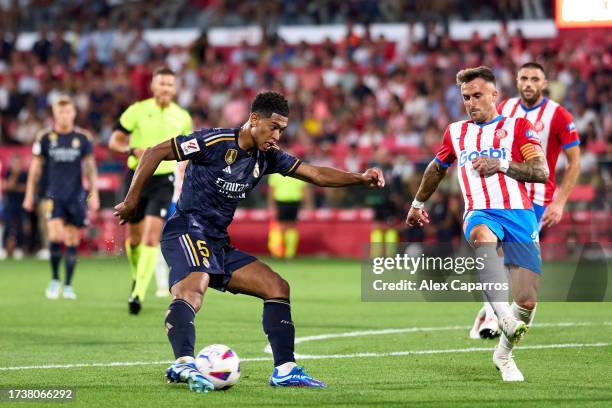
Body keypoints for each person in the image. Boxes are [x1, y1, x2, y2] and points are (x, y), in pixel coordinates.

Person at [114, 91, 385, 392]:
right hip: (186, 231)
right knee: (193, 288)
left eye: (282, 129)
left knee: (277, 287)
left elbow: (315, 173)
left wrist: (360, 177)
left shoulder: (267, 157)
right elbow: (153, 152)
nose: (277, 135)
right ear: (254, 119)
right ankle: (183, 363)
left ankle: (285, 369)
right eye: (274, 126)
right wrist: (131, 201)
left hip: (217, 241)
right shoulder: (213, 142)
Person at [406, 67, 549, 382]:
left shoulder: (518, 127)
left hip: (519, 215)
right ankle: (501, 316)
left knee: (526, 300)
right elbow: (436, 168)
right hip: (480, 211)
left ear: (494, 95)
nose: (471, 103)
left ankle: (503, 355)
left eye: (477, 96)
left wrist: (501, 164)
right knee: (483, 238)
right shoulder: (456, 132)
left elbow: (541, 171)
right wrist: (418, 203)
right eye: (466, 97)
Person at [470, 62, 581, 339]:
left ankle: (492, 315)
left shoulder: (558, 114)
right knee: (493, 251)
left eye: (534, 79)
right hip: (504, 192)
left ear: (545, 83)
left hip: (538, 198)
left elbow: (574, 162)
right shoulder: (505, 108)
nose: (528, 83)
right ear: (516, 81)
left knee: (515, 265)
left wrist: (560, 201)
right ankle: (494, 316)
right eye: (524, 78)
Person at [108, 67, 192, 314]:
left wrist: (183, 170)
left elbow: (187, 148)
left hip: (164, 180)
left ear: (175, 89)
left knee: (151, 236)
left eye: (170, 84)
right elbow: (115, 139)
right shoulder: (137, 110)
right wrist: (129, 150)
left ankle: (137, 293)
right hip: (136, 178)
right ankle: (138, 276)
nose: (165, 88)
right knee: (133, 238)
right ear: (153, 86)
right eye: (161, 83)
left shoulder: (182, 117)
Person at [23, 96, 99, 300]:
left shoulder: (83, 138)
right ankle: (55, 279)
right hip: (52, 195)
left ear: (74, 113)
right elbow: (35, 168)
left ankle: (67, 285)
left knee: (72, 239)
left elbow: (90, 168)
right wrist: (29, 194)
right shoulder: (45, 137)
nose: (64, 116)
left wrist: (94, 193)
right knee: (56, 236)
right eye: (60, 112)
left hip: (75, 196)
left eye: (68, 112)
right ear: (55, 114)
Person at [267, 170, 312, 258]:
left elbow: (271, 188)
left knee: (287, 226)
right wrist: (271, 205)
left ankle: (286, 253)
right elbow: (272, 189)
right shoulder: (297, 171)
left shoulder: (277, 171)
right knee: (286, 226)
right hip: (285, 200)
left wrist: (307, 203)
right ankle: (282, 253)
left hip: (289, 200)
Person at [2, 155, 27, 259]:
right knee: (7, 226)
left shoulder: (25, 174)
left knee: (21, 226)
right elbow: (8, 186)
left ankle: (19, 248)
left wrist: (14, 187)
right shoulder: (9, 173)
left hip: (21, 204)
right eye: (14, 162)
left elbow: (25, 188)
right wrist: (14, 175)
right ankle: (3, 248)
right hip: (10, 204)